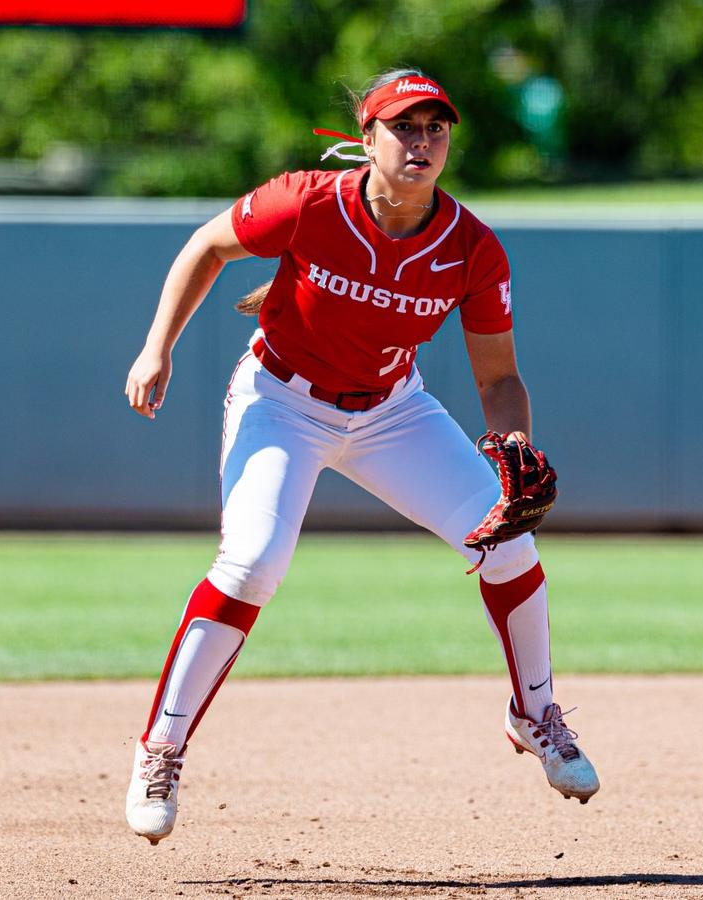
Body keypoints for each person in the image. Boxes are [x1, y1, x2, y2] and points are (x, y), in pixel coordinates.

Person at [121, 68, 598, 845]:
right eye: (404, 127)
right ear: (367, 138)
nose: (422, 141)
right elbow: (209, 245)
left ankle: (535, 711)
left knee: (511, 540)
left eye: (435, 127)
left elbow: (500, 377)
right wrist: (156, 349)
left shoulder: (471, 248)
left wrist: (512, 446)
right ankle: (160, 751)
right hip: (281, 397)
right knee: (251, 564)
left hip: (390, 409)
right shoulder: (310, 201)